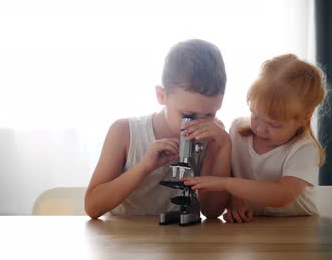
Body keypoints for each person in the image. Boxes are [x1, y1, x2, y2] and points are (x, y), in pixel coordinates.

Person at [85, 39, 231, 219]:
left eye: (210, 114)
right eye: (188, 115)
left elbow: (211, 211)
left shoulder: (214, 135)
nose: (198, 125)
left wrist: (225, 147)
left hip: (180, 242)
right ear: (161, 96)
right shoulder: (124, 132)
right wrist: (145, 167)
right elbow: (92, 207)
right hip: (123, 240)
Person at [183, 54, 327, 222]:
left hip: (298, 229)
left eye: (273, 125)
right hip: (253, 230)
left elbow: (282, 195)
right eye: (254, 115)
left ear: (304, 118)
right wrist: (235, 201)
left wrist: (226, 184)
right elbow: (231, 182)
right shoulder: (237, 131)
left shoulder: (304, 148)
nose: (259, 128)